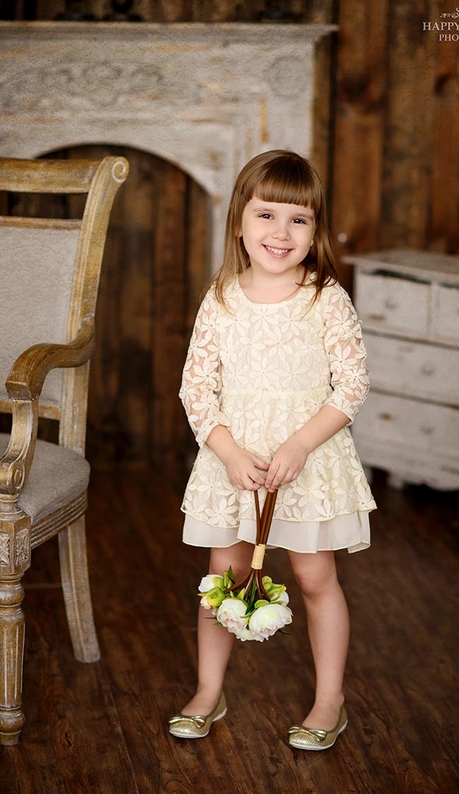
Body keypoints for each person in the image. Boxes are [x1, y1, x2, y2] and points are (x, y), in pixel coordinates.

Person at [170, 150, 376, 750]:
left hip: (306, 462)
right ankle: (209, 689)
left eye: (298, 219)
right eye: (266, 215)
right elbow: (195, 388)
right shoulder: (221, 299)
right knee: (224, 577)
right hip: (236, 464)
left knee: (314, 576)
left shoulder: (324, 298)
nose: (280, 233)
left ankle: (329, 700)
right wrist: (230, 452)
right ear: (239, 220)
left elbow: (352, 384)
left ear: (315, 231)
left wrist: (301, 444)